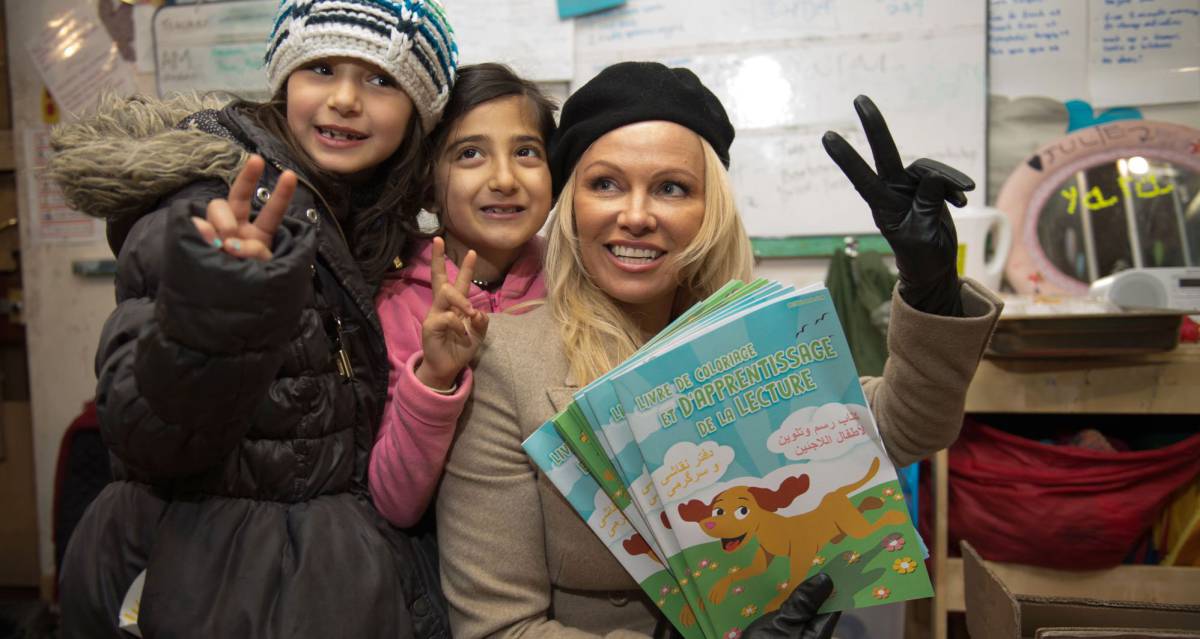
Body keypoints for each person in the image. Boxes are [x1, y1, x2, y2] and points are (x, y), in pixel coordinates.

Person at [435, 61, 1003, 638]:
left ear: (710, 210)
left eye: (672, 188)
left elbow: (910, 427)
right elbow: (498, 629)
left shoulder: (758, 338)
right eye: (605, 184)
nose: (636, 216)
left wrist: (929, 290)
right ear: (571, 203)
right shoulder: (505, 361)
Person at [46, 1, 457, 637]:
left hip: (319, 589)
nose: (345, 99)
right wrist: (215, 309)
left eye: (381, 79)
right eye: (321, 68)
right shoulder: (210, 209)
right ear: (284, 81)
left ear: (417, 114)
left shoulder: (375, 232)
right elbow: (142, 432)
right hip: (210, 593)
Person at [370, 63, 557, 528]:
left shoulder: (574, 281)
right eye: (470, 153)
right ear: (428, 188)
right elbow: (395, 504)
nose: (505, 179)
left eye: (527, 152)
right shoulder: (396, 302)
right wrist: (435, 377)